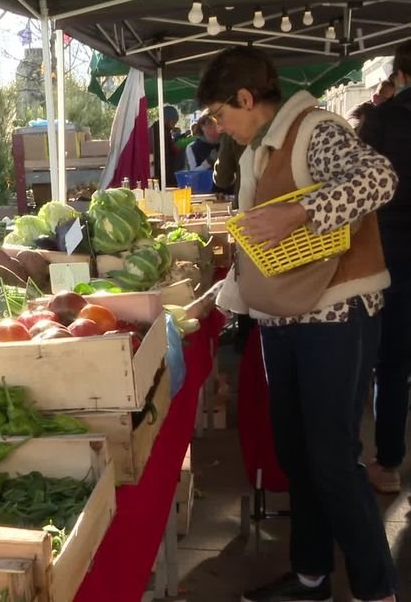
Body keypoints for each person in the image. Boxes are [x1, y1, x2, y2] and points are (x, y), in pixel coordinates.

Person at [195, 46, 398, 602]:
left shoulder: (315, 129)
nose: (219, 127)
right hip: (284, 318)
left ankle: (376, 590)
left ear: (245, 98)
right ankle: (311, 579)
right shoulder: (260, 147)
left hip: (335, 315)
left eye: (220, 114)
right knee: (299, 456)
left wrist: (299, 211)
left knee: (334, 460)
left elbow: (379, 178)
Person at [360, 42, 411, 494]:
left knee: (390, 362)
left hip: (392, 253)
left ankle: (389, 463)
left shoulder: (382, 120)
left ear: (400, 76)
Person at [149, 105, 179, 187]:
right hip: (161, 173)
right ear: (166, 119)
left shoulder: (158, 129)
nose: (173, 126)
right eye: (173, 122)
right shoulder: (159, 132)